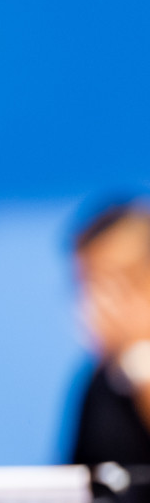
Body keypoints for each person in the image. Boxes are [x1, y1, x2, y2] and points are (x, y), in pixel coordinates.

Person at [67, 197, 150, 466]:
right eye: (89, 284)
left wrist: (139, 360)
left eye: (118, 282)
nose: (101, 302)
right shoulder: (99, 382)